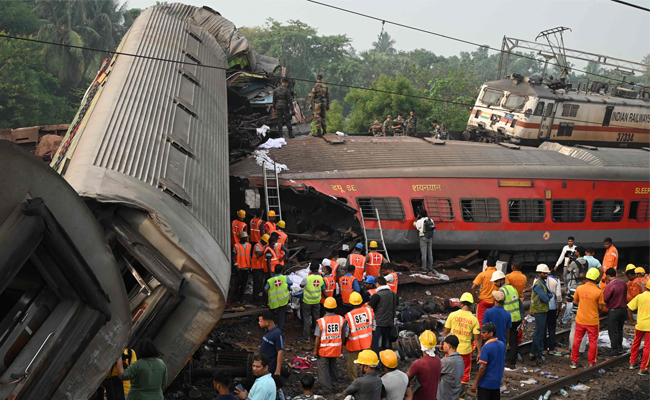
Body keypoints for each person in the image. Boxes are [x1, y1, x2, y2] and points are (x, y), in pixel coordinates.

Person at [442, 292, 480, 398]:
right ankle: (461, 396)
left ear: (461, 303)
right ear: (471, 305)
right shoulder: (474, 319)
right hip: (465, 351)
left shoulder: (452, 315)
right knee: (464, 374)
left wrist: (441, 344)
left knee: (448, 371)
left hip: (451, 350)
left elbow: (445, 332)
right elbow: (477, 338)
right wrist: (480, 352)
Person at [571, 268, 604, 368]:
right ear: (597, 278)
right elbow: (601, 308)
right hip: (592, 321)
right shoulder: (599, 292)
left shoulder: (579, 288)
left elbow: (575, 302)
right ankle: (591, 362)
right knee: (593, 342)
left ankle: (574, 362)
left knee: (577, 340)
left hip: (580, 319)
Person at [313, 297, 344, 394]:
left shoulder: (321, 321)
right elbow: (343, 334)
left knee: (323, 369)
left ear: (324, 307)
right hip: (336, 348)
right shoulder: (341, 319)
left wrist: (315, 350)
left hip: (324, 350)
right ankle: (335, 384)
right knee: (333, 366)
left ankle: (326, 388)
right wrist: (341, 345)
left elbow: (317, 338)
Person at [344, 292, 376, 381]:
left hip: (354, 344)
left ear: (351, 303)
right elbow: (374, 327)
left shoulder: (349, 316)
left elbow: (346, 333)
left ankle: (354, 381)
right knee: (368, 361)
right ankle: (369, 378)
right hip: (367, 341)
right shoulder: (369, 311)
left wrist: (344, 342)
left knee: (353, 363)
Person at [469, 323, 506, 400]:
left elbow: (482, 368)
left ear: (491, 333)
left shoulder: (486, 347)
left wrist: (475, 383)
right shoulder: (502, 344)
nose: (481, 334)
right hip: (496, 382)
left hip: (485, 383)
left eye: (484, 332)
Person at [406, 330, 441, 400]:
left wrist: (411, 377)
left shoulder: (419, 363)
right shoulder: (438, 360)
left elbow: (405, 377)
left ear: (420, 345)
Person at [530, 264, 554, 365]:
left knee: (539, 332)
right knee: (539, 333)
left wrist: (548, 295)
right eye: (544, 273)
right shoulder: (539, 285)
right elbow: (546, 298)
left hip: (541, 310)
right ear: (539, 273)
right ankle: (537, 353)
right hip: (539, 311)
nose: (546, 274)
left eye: (547, 273)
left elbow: (551, 294)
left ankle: (533, 352)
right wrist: (548, 296)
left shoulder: (542, 283)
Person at [368, 276, 398, 353]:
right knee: (387, 346)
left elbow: (369, 308)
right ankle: (388, 362)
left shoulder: (376, 296)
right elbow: (396, 306)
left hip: (379, 324)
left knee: (377, 346)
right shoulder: (394, 295)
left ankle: (377, 363)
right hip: (390, 324)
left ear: (377, 284)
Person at [602, 268, 627, 356]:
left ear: (608, 276)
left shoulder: (610, 286)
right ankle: (620, 348)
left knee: (613, 331)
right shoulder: (623, 283)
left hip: (614, 310)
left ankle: (614, 350)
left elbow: (605, 298)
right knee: (620, 329)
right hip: (624, 309)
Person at [628, 279, 650, 375]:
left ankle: (632, 363)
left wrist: (632, 321)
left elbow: (629, 308)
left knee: (636, 343)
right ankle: (643, 368)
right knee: (647, 347)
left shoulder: (640, 296)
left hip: (639, 325)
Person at [298, 263, 325, 342]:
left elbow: (301, 285)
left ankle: (306, 337)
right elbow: (322, 286)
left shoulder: (307, 278)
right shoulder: (321, 278)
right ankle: (317, 335)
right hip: (317, 301)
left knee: (306, 319)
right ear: (318, 269)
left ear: (310, 269)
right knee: (316, 318)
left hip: (307, 301)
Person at [563, 246, 588, 324]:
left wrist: (568, 262)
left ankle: (565, 320)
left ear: (578, 253)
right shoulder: (586, 262)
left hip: (574, 284)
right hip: (583, 283)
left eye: (576, 251)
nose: (575, 252)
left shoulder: (574, 263)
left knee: (571, 302)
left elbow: (567, 271)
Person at [471, 256, 498, 326]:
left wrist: (475, 299)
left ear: (487, 263)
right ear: (495, 264)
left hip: (483, 302)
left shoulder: (482, 274)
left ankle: (480, 336)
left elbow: (473, 287)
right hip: (495, 302)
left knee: (480, 322)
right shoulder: (499, 275)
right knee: (494, 322)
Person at [568, 272, 590, 357]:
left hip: (575, 312)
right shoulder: (586, 288)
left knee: (573, 330)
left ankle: (571, 347)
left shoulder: (572, 287)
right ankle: (581, 349)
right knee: (583, 332)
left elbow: (569, 299)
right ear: (585, 280)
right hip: (584, 312)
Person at [264, 265, 292, 331]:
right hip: (283, 299)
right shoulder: (285, 278)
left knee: (271, 315)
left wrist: (269, 295)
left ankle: (269, 328)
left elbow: (265, 289)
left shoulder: (270, 280)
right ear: (282, 271)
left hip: (274, 301)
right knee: (281, 316)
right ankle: (279, 330)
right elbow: (291, 283)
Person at [437, 335, 464, 400]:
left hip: (444, 397)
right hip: (454, 396)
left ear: (449, 346)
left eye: (444, 344)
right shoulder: (460, 359)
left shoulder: (447, 361)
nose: (443, 346)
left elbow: (432, 372)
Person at [258, 311, 284, 376]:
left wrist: (277, 371)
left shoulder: (277, 333)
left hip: (270, 367)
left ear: (267, 323)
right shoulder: (269, 332)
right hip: (264, 364)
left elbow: (280, 351)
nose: (259, 323)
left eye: (260, 321)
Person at [544, 269, 563, 355]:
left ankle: (544, 348)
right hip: (552, 308)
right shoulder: (556, 280)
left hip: (542, 308)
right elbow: (558, 295)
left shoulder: (537, 280)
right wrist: (559, 306)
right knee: (552, 328)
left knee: (543, 328)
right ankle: (551, 349)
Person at [413, 208, 435, 273]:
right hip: (430, 237)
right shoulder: (431, 220)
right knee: (430, 253)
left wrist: (417, 218)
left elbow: (414, 224)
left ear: (420, 215)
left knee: (424, 253)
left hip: (423, 237)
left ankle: (424, 269)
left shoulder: (420, 221)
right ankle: (430, 268)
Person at [233, 231, 252, 303]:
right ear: (241, 238)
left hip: (246, 267)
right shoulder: (236, 246)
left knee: (244, 284)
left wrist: (250, 265)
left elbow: (249, 256)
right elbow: (234, 256)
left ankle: (241, 298)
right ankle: (235, 298)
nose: (246, 238)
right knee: (238, 283)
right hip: (239, 267)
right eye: (245, 238)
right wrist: (235, 264)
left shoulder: (249, 245)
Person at [252, 234, 269, 305]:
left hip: (261, 268)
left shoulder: (263, 246)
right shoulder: (257, 246)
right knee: (257, 284)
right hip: (256, 268)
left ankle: (258, 296)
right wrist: (265, 250)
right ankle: (255, 298)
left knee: (260, 283)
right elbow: (258, 255)